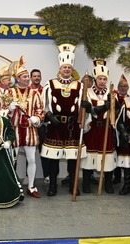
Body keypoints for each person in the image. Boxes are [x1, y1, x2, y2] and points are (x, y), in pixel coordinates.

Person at [41, 43, 90, 196]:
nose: (67, 70)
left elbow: (85, 107)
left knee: (73, 159)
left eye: (69, 67)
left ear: (72, 69)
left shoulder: (80, 86)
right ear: (60, 68)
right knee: (53, 159)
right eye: (64, 67)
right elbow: (43, 105)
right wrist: (49, 116)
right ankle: (53, 185)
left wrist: (87, 106)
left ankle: (72, 185)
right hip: (55, 125)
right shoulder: (49, 84)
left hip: (72, 126)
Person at [8, 57, 44, 198]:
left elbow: (40, 109)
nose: (28, 78)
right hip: (15, 129)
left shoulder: (35, 93)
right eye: (24, 76)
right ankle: (12, 186)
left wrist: (38, 117)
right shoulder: (10, 93)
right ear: (18, 78)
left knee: (32, 159)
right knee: (12, 159)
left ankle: (31, 186)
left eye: (28, 76)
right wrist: (10, 109)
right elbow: (2, 110)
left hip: (29, 130)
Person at [80, 60, 116, 194]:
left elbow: (115, 111)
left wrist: (112, 106)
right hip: (93, 128)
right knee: (90, 155)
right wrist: (101, 108)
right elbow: (91, 111)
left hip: (106, 128)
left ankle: (107, 183)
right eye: (100, 78)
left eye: (104, 79)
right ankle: (87, 183)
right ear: (95, 79)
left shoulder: (112, 93)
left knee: (107, 156)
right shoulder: (87, 92)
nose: (102, 81)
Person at [30, 69, 50, 184]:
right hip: (30, 126)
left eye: (38, 76)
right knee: (30, 151)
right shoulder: (27, 91)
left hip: (42, 126)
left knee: (44, 150)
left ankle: (46, 174)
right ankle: (29, 176)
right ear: (31, 78)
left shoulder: (45, 91)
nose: (36, 78)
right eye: (34, 76)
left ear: (41, 78)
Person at [112, 76, 129, 185]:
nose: (123, 88)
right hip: (115, 130)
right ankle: (117, 176)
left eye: (125, 86)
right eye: (121, 86)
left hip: (126, 131)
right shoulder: (114, 97)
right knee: (116, 153)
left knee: (127, 153)